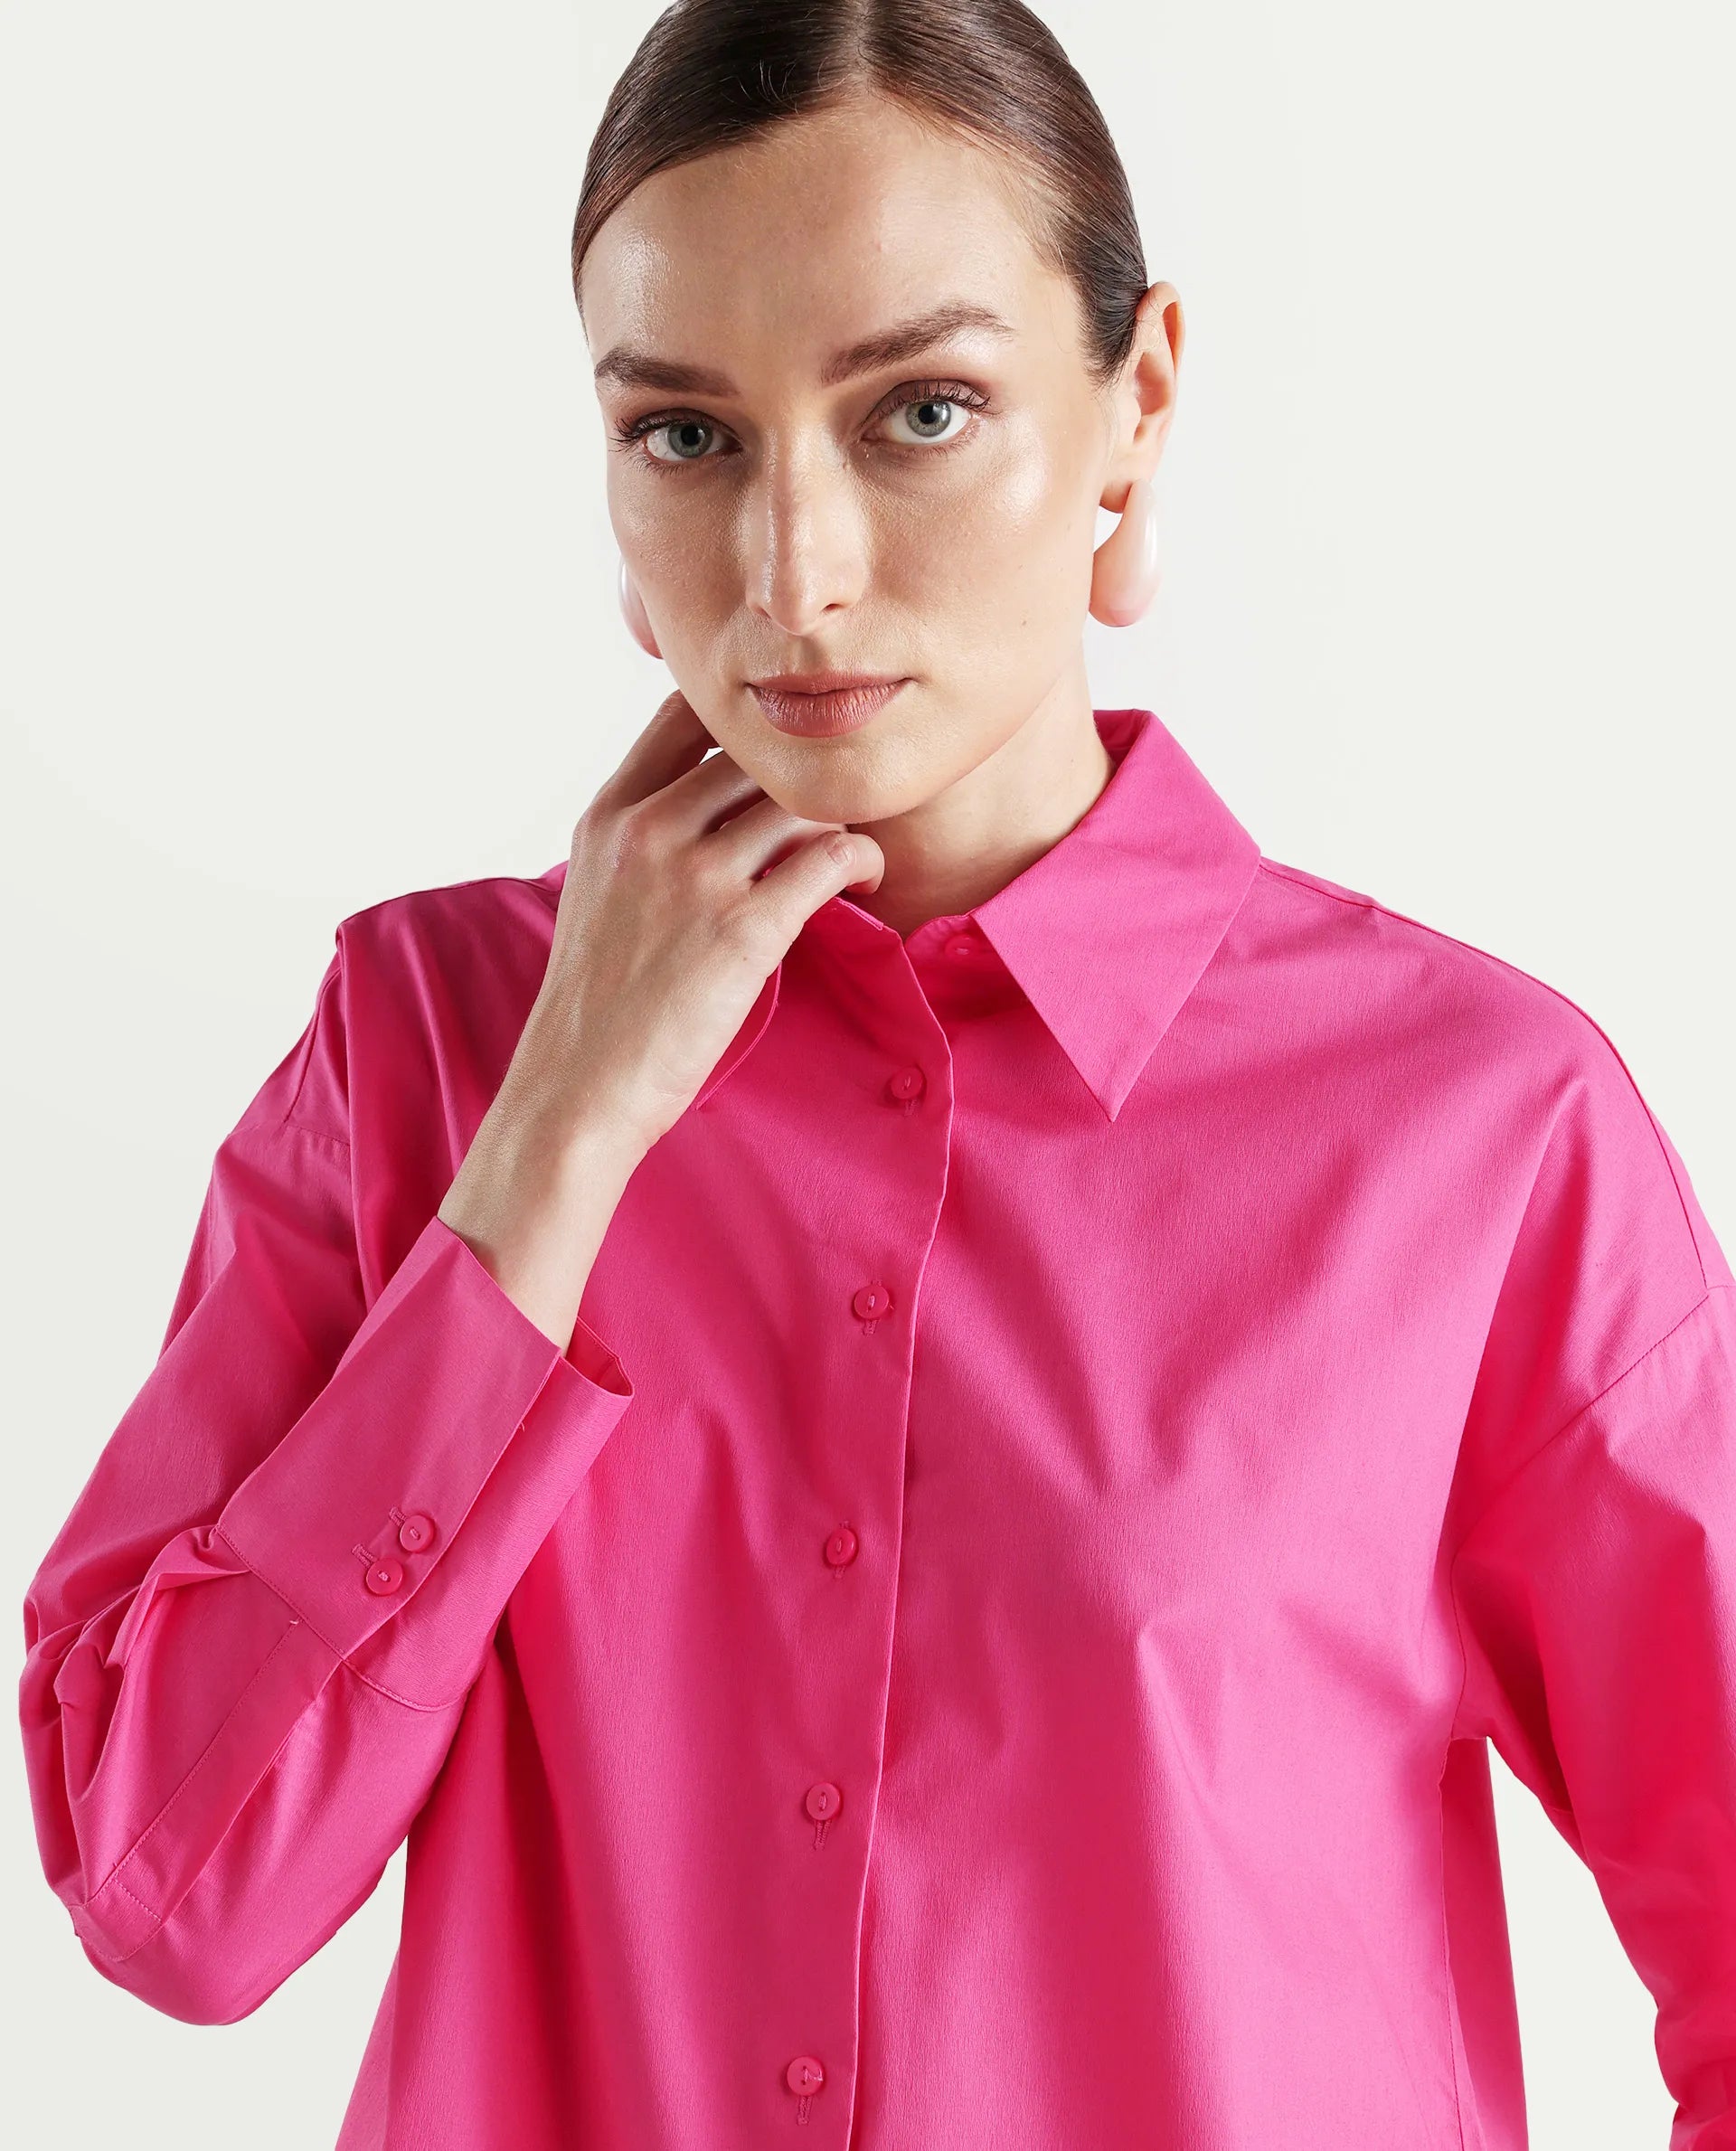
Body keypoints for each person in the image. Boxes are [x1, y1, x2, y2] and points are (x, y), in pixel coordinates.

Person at [19, 3, 1736, 2146]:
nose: (792, 574)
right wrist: (555, 1141)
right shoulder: (424, 1044)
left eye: (920, 409)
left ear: (1136, 403)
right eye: (687, 433)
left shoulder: (1481, 1129)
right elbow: (171, 1896)